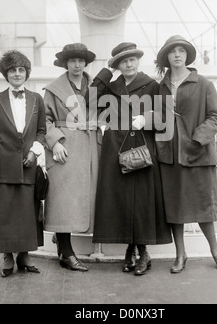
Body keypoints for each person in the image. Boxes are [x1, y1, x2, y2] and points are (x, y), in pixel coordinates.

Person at [90, 42, 172, 276]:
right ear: (117, 65)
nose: (129, 64)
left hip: (141, 147)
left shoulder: (152, 85)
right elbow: (90, 99)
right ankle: (130, 249)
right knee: (122, 200)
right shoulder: (111, 85)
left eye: (132, 59)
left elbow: (165, 116)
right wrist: (106, 71)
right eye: (123, 61)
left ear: (138, 61)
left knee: (142, 201)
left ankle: (143, 251)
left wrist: (146, 118)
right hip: (115, 147)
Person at [155, 35, 217, 273]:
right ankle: (180, 254)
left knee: (203, 205)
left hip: (198, 152)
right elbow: (156, 118)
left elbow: (216, 116)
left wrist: (198, 138)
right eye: (172, 51)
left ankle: (215, 250)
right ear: (166, 57)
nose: (177, 55)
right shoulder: (160, 87)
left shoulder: (204, 84)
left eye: (181, 51)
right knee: (174, 207)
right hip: (170, 154)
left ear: (187, 56)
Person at [0, 50, 46, 278]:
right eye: (12, 70)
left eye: (21, 70)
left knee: (26, 211)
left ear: (26, 73)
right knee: (3, 212)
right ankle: (7, 255)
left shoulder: (37, 99)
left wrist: (35, 152)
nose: (17, 74)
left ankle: (24, 255)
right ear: (5, 74)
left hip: (27, 164)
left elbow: (41, 132)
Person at [43, 43, 100, 272]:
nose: (77, 65)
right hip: (64, 148)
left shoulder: (97, 86)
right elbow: (44, 120)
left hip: (91, 148)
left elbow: (110, 112)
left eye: (80, 60)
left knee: (87, 197)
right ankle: (66, 252)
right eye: (72, 60)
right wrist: (54, 141)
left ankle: (62, 242)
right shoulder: (53, 89)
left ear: (85, 63)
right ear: (65, 64)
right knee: (62, 199)